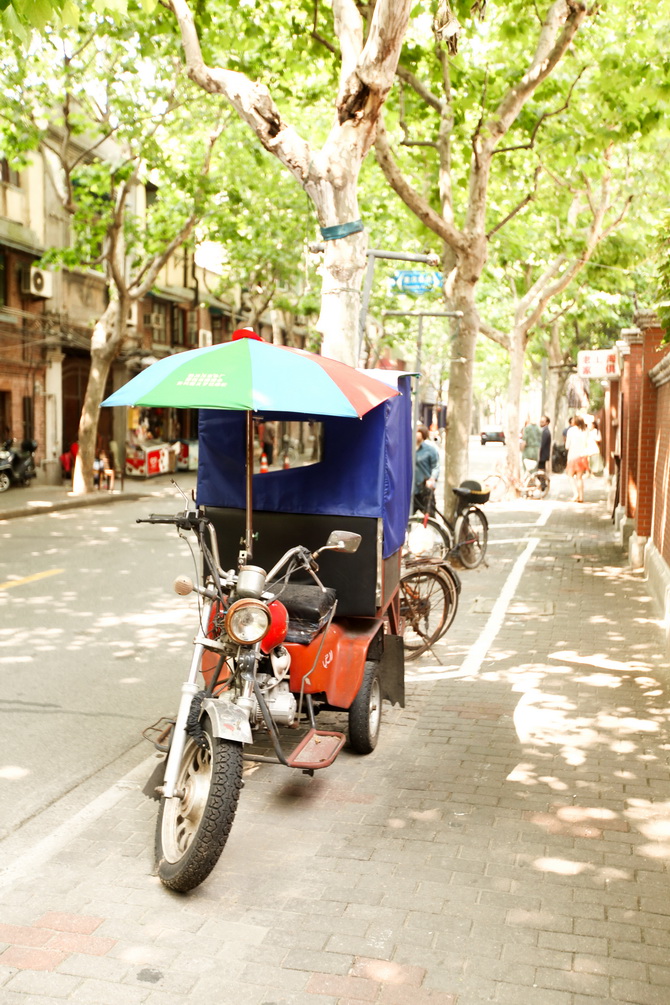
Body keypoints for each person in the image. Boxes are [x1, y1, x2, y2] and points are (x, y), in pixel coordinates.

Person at [413, 424, 440, 515]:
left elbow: (436, 466)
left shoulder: (430, 449)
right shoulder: (409, 449)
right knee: (407, 519)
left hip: (425, 489)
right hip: (412, 490)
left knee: (430, 517)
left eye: (418, 432)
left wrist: (432, 479)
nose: (416, 434)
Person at [565, 415, 589, 502]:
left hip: (573, 456)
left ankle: (575, 494)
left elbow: (567, 446)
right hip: (582, 456)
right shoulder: (585, 430)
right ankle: (581, 496)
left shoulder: (571, 430)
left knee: (570, 476)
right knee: (580, 477)